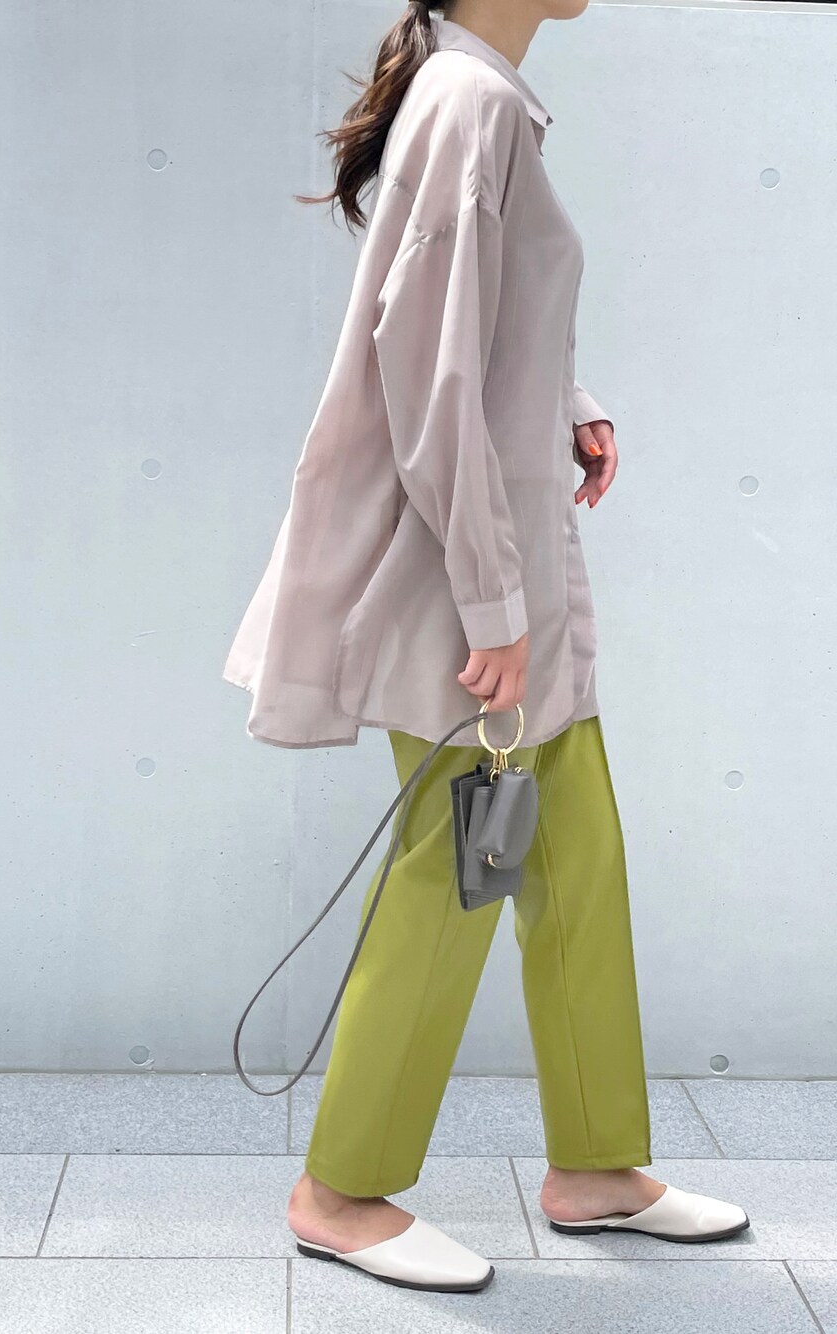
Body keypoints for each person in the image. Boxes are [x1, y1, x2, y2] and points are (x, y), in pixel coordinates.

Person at [222, 0, 750, 1295]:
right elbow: (426, 369)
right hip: (470, 584)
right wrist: (494, 601)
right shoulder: (472, 104)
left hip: (506, 569)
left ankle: (597, 1167)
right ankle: (340, 1189)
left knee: (576, 857)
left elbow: (486, 328)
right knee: (452, 871)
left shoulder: (481, 95)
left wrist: (569, 402)